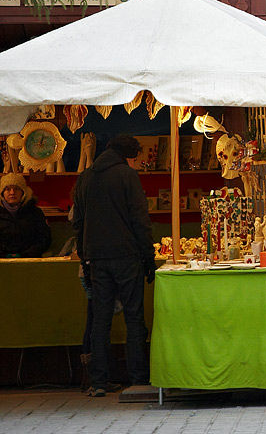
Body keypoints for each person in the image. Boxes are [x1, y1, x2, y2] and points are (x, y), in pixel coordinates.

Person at [73, 135, 155, 397]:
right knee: (133, 317)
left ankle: (99, 380)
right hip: (126, 256)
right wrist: (148, 257)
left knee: (100, 319)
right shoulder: (127, 176)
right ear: (128, 154)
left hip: (96, 257)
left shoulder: (85, 178)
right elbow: (140, 220)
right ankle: (138, 378)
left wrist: (86, 258)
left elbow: (79, 221)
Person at [0, 173, 51, 258]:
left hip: (30, 260)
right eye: (8, 189)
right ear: (2, 193)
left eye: (16, 189)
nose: (12, 193)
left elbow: (44, 239)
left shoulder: (35, 213)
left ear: (23, 192)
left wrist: (25, 254)